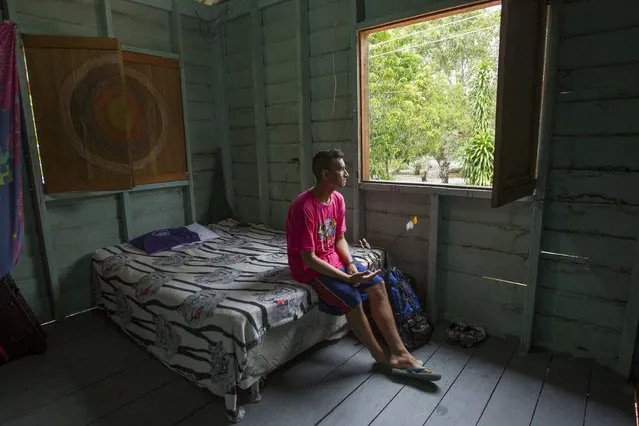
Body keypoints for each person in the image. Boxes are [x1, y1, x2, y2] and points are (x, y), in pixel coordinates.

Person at [285, 148, 432, 372]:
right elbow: (310, 259)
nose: (346, 173)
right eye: (341, 169)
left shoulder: (338, 200)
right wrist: (346, 278)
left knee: (378, 284)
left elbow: (340, 239)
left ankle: (401, 352)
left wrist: (352, 265)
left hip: (333, 260)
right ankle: (381, 356)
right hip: (309, 268)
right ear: (325, 174)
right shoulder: (303, 207)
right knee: (352, 296)